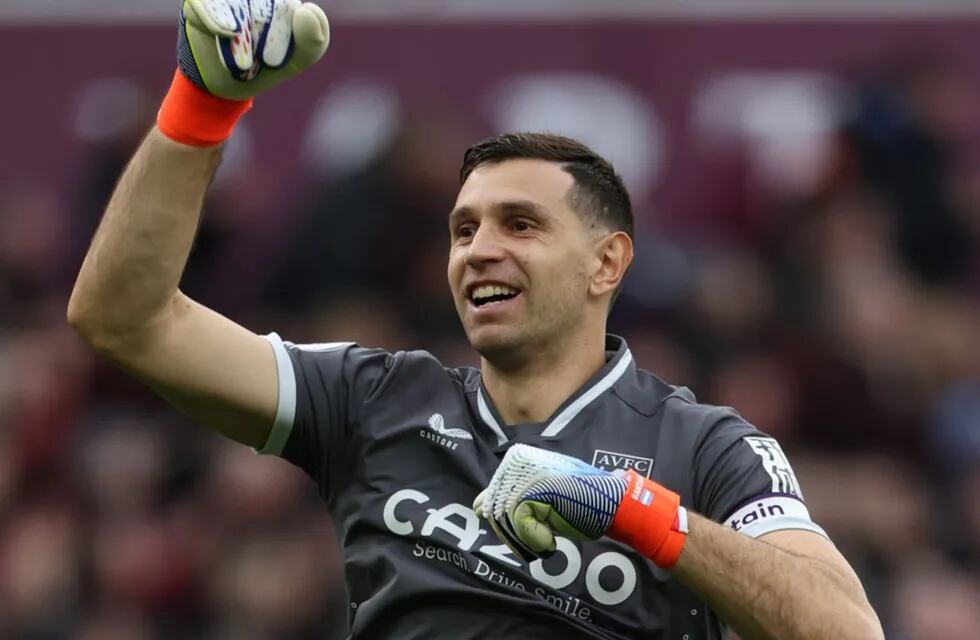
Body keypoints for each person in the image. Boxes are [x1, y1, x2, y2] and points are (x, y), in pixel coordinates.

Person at [67, 1, 883, 639]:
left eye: (521, 225)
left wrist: (626, 508)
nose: (478, 251)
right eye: (465, 229)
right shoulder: (372, 401)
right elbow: (125, 321)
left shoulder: (705, 448)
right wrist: (203, 102)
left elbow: (845, 631)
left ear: (608, 262)